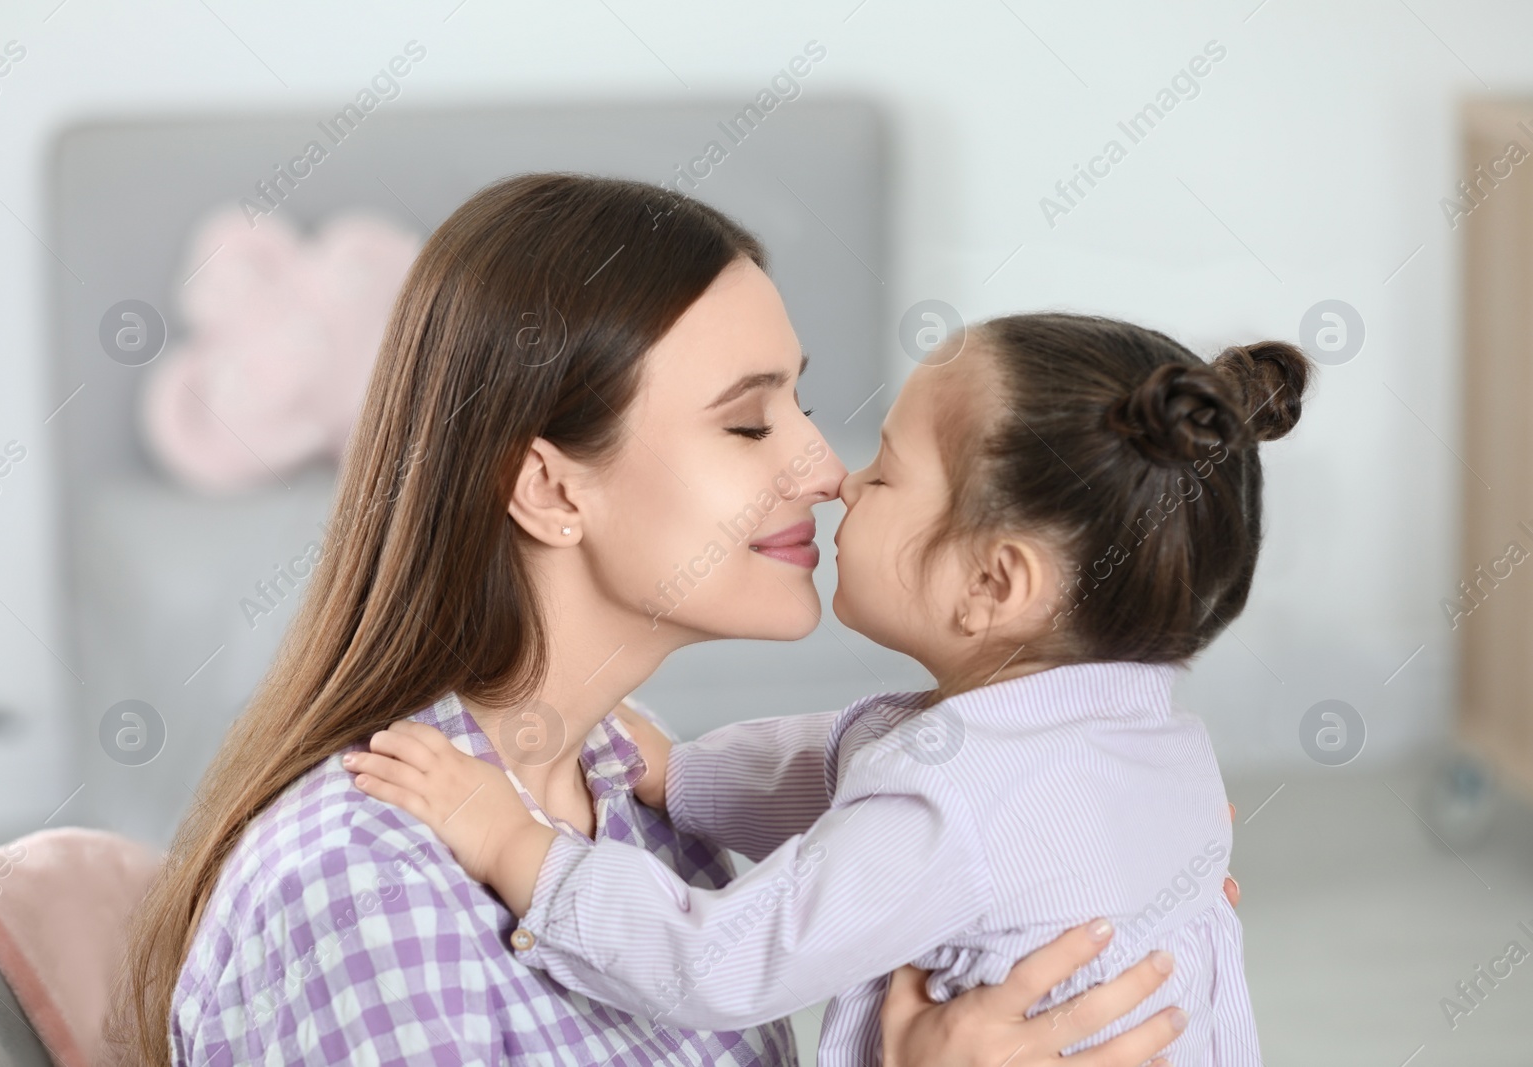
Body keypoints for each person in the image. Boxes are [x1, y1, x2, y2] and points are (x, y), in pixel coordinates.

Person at [106, 172, 1209, 1066]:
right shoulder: (362, 890)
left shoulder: (633, 802)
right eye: (746, 424)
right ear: (550, 488)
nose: (825, 470)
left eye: (803, 405)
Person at [345, 311, 1307, 1063]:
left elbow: (723, 963)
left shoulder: (955, 798)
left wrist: (519, 845)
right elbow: (841, 764)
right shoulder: (1143, 742)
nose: (841, 480)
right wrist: (685, 778)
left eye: (886, 474)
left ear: (993, 583)